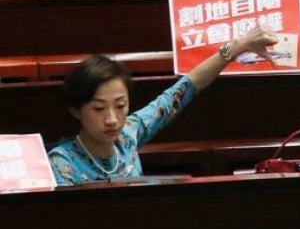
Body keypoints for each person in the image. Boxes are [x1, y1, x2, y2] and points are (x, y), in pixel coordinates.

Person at [47, 25, 278, 186]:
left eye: (120, 105)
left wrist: (237, 47)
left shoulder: (129, 133)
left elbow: (186, 88)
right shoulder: (62, 162)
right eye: (99, 108)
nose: (112, 119)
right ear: (76, 111)